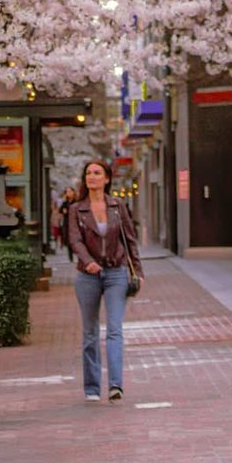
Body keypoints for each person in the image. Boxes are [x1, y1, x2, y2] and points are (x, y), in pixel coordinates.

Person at [67, 160, 144, 403]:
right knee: (90, 333)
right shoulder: (76, 209)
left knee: (114, 330)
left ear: (107, 179)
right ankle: (91, 388)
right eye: (88, 172)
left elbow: (130, 239)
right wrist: (88, 261)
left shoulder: (117, 206)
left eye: (97, 173)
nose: (92, 176)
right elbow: (74, 240)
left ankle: (115, 385)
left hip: (116, 273)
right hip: (87, 276)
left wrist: (138, 271)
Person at [58, 186, 77, 260]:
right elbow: (60, 211)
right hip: (67, 223)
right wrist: (63, 211)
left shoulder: (76, 202)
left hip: (75, 223)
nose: (69, 193)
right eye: (67, 192)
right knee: (68, 240)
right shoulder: (65, 203)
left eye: (70, 191)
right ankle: (70, 256)